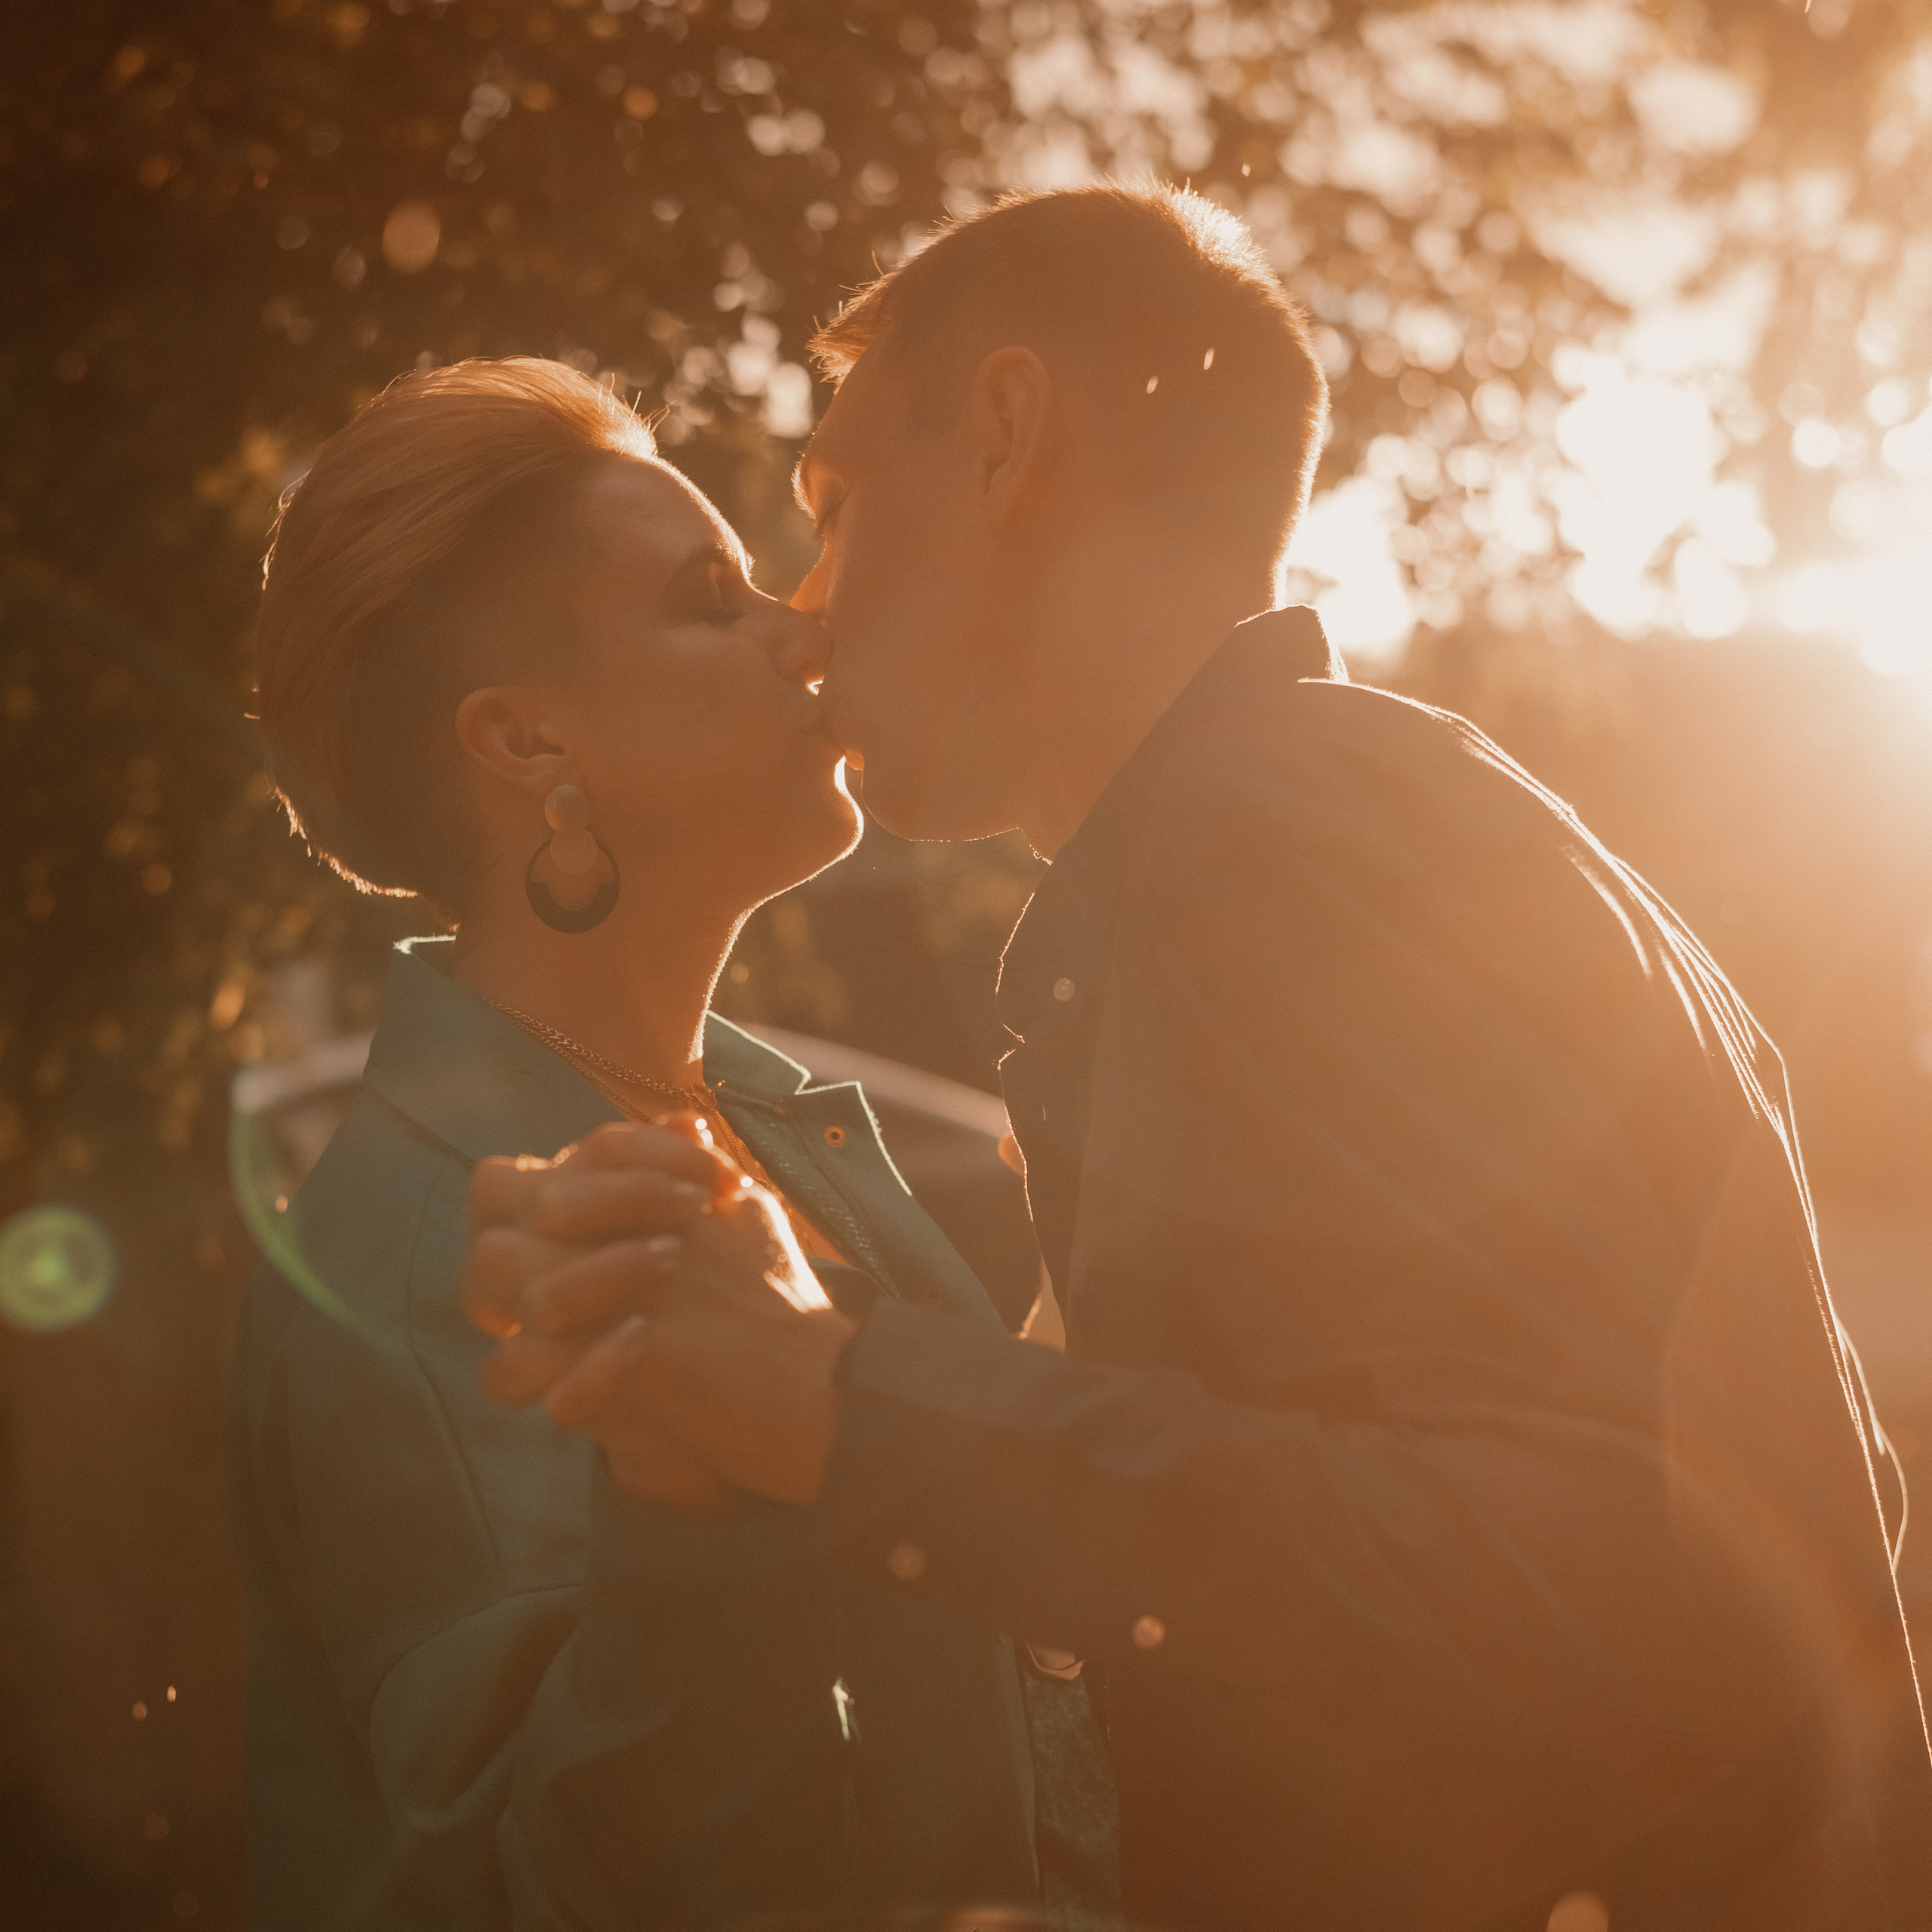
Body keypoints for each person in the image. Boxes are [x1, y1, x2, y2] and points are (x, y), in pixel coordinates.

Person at [466, 186, 1932, 1930]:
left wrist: (835, 1393)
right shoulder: (1282, 835)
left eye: (837, 509)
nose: (809, 606)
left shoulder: (1292, 842)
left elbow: (1586, 1571)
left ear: (1005, 436)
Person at [228, 358, 1119, 1932]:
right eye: (713, 599)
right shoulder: (432, 1255)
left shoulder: (762, 1116)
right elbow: (581, 1879)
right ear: (524, 745)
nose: (808, 627)